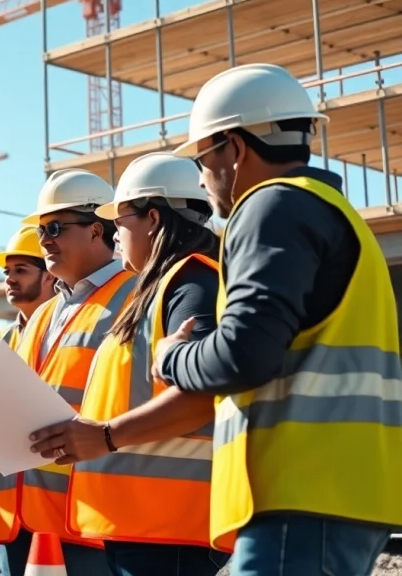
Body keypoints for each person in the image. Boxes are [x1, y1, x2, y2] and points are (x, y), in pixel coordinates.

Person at [154, 62, 402, 575]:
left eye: (202, 158)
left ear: (235, 148)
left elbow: (244, 353)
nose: (202, 179)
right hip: (348, 490)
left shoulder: (269, 207)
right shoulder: (336, 211)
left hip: (299, 490)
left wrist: (171, 357)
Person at [27, 153, 229, 575]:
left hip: (171, 529)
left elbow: (202, 397)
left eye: (119, 220)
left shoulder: (192, 285)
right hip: (143, 525)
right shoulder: (162, 290)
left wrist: (104, 436)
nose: (114, 234)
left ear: (153, 218)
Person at [0, 169, 130, 576]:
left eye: (54, 227)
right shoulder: (45, 313)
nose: (44, 240)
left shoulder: (134, 297)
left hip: (89, 516)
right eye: (40, 231)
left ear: (97, 230)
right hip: (23, 513)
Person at [0, 225, 57, 348]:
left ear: (49, 277)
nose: (10, 279)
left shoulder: (67, 330)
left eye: (20, 270)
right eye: (6, 272)